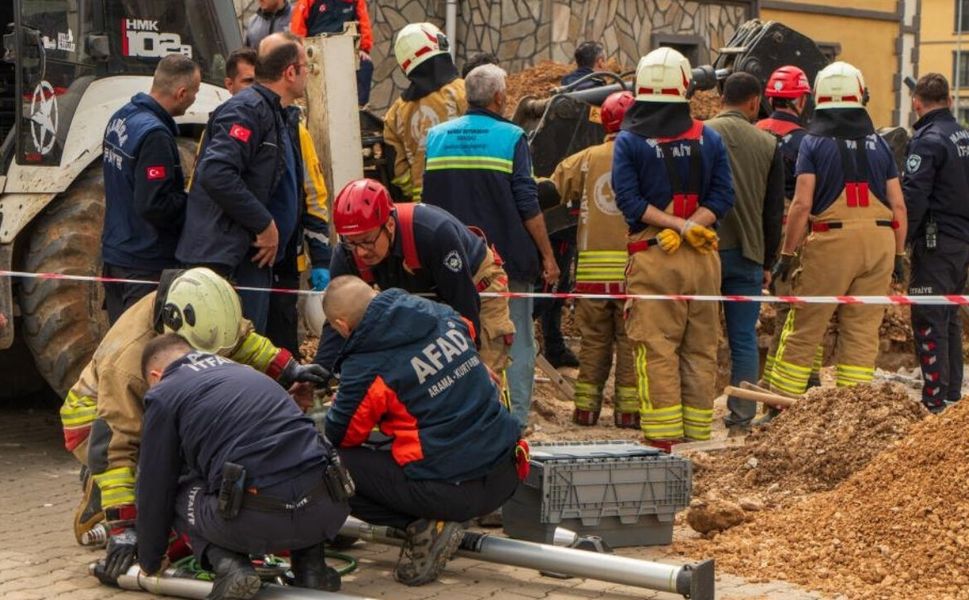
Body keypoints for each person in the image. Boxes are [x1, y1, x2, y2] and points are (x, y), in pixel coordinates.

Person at [62, 268, 327, 571]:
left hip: (142, 402)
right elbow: (114, 445)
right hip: (93, 424)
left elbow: (238, 341)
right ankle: (105, 495)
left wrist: (287, 368)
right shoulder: (126, 365)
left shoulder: (200, 304)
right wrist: (125, 527)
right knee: (163, 476)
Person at [322, 276, 523, 586]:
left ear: (342, 325)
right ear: (375, 293)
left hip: (453, 493)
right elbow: (460, 348)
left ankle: (428, 527)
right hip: (506, 472)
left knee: (327, 464)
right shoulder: (440, 314)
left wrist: (343, 403)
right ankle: (433, 523)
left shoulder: (366, 364)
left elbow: (342, 434)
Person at [135, 335, 349, 599]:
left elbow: (154, 485)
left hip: (256, 519)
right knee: (294, 462)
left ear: (156, 376)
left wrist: (150, 559)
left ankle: (230, 566)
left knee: (177, 487)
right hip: (325, 509)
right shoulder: (244, 371)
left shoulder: (164, 392)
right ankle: (312, 568)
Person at [423, 63, 561, 430]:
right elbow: (527, 204)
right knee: (513, 339)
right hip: (505, 263)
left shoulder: (436, 137)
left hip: (449, 260)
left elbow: (428, 202)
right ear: (500, 97)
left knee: (453, 339)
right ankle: (513, 421)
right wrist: (548, 256)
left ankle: (460, 417)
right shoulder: (512, 137)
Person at [612, 48, 734, 450]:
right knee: (700, 349)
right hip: (704, 257)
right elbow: (722, 196)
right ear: (685, 88)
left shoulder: (630, 141)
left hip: (654, 256)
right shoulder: (709, 137)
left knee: (657, 349)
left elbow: (629, 201)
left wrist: (675, 226)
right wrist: (692, 227)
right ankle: (698, 441)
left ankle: (663, 441)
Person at [769, 62, 907, 397]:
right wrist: (899, 255)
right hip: (880, 242)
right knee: (862, 329)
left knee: (806, 323)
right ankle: (853, 406)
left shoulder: (812, 144)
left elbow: (802, 205)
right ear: (861, 96)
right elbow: (899, 205)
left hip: (833, 240)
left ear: (819, 97)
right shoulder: (880, 145)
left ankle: (780, 402)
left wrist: (787, 255)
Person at [313, 179, 515, 379]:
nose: (361, 252)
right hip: (419, 294)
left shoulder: (434, 234)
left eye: (367, 241)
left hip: (473, 287)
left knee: (475, 380)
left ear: (389, 225)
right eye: (352, 242)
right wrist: (320, 373)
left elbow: (465, 306)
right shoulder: (348, 254)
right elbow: (338, 315)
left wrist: (470, 361)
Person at [177, 33, 309, 333]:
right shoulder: (247, 110)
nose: (308, 75)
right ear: (290, 72)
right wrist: (265, 224)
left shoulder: (273, 111)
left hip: (249, 258)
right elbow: (216, 172)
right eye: (306, 67)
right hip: (226, 259)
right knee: (230, 350)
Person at [214, 46, 331, 355]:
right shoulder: (226, 125)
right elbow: (211, 183)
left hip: (284, 262)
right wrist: (261, 226)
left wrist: (320, 257)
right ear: (230, 85)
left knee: (281, 348)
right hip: (244, 257)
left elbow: (313, 194)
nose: (254, 90)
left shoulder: (293, 126)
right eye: (247, 81)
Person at [542, 90, 638, 427]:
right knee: (629, 343)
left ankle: (585, 410)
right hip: (632, 273)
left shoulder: (583, 159)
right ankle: (628, 414)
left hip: (591, 276)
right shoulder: (645, 156)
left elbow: (547, 192)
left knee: (595, 343)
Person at [705, 73, 784, 434]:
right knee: (743, 340)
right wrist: (768, 261)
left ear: (721, 97)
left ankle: (695, 413)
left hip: (703, 252)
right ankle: (741, 418)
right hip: (749, 255)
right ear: (755, 102)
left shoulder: (700, 134)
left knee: (699, 339)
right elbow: (772, 213)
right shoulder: (768, 143)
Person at [101, 54, 200, 323]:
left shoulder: (120, 118)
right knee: (140, 351)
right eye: (195, 92)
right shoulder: (155, 136)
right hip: (143, 264)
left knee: (118, 348)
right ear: (181, 93)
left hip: (116, 255)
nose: (195, 99)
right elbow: (153, 204)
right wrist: (195, 204)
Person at [902, 73, 969, 413]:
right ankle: (952, 397)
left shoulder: (928, 141)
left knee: (929, 316)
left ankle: (935, 400)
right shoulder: (963, 136)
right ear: (950, 100)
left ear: (916, 104)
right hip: (960, 243)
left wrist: (901, 240)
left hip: (936, 243)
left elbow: (914, 197)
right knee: (950, 317)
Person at [756, 65, 822, 405]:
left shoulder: (754, 132)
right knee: (794, 307)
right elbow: (808, 197)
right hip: (791, 228)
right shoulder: (807, 140)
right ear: (800, 99)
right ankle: (783, 386)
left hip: (752, 227)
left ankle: (802, 375)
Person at [384, 22, 466, 202]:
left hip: (424, 209)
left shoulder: (396, 112)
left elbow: (397, 168)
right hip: (468, 198)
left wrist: (415, 188)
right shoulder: (463, 92)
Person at [290, 0, 374, 106]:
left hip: (346, 53)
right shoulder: (307, 2)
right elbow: (297, 32)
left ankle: (359, 110)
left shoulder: (355, 1)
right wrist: (302, 56)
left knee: (365, 65)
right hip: (315, 55)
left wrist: (364, 49)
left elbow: (364, 25)